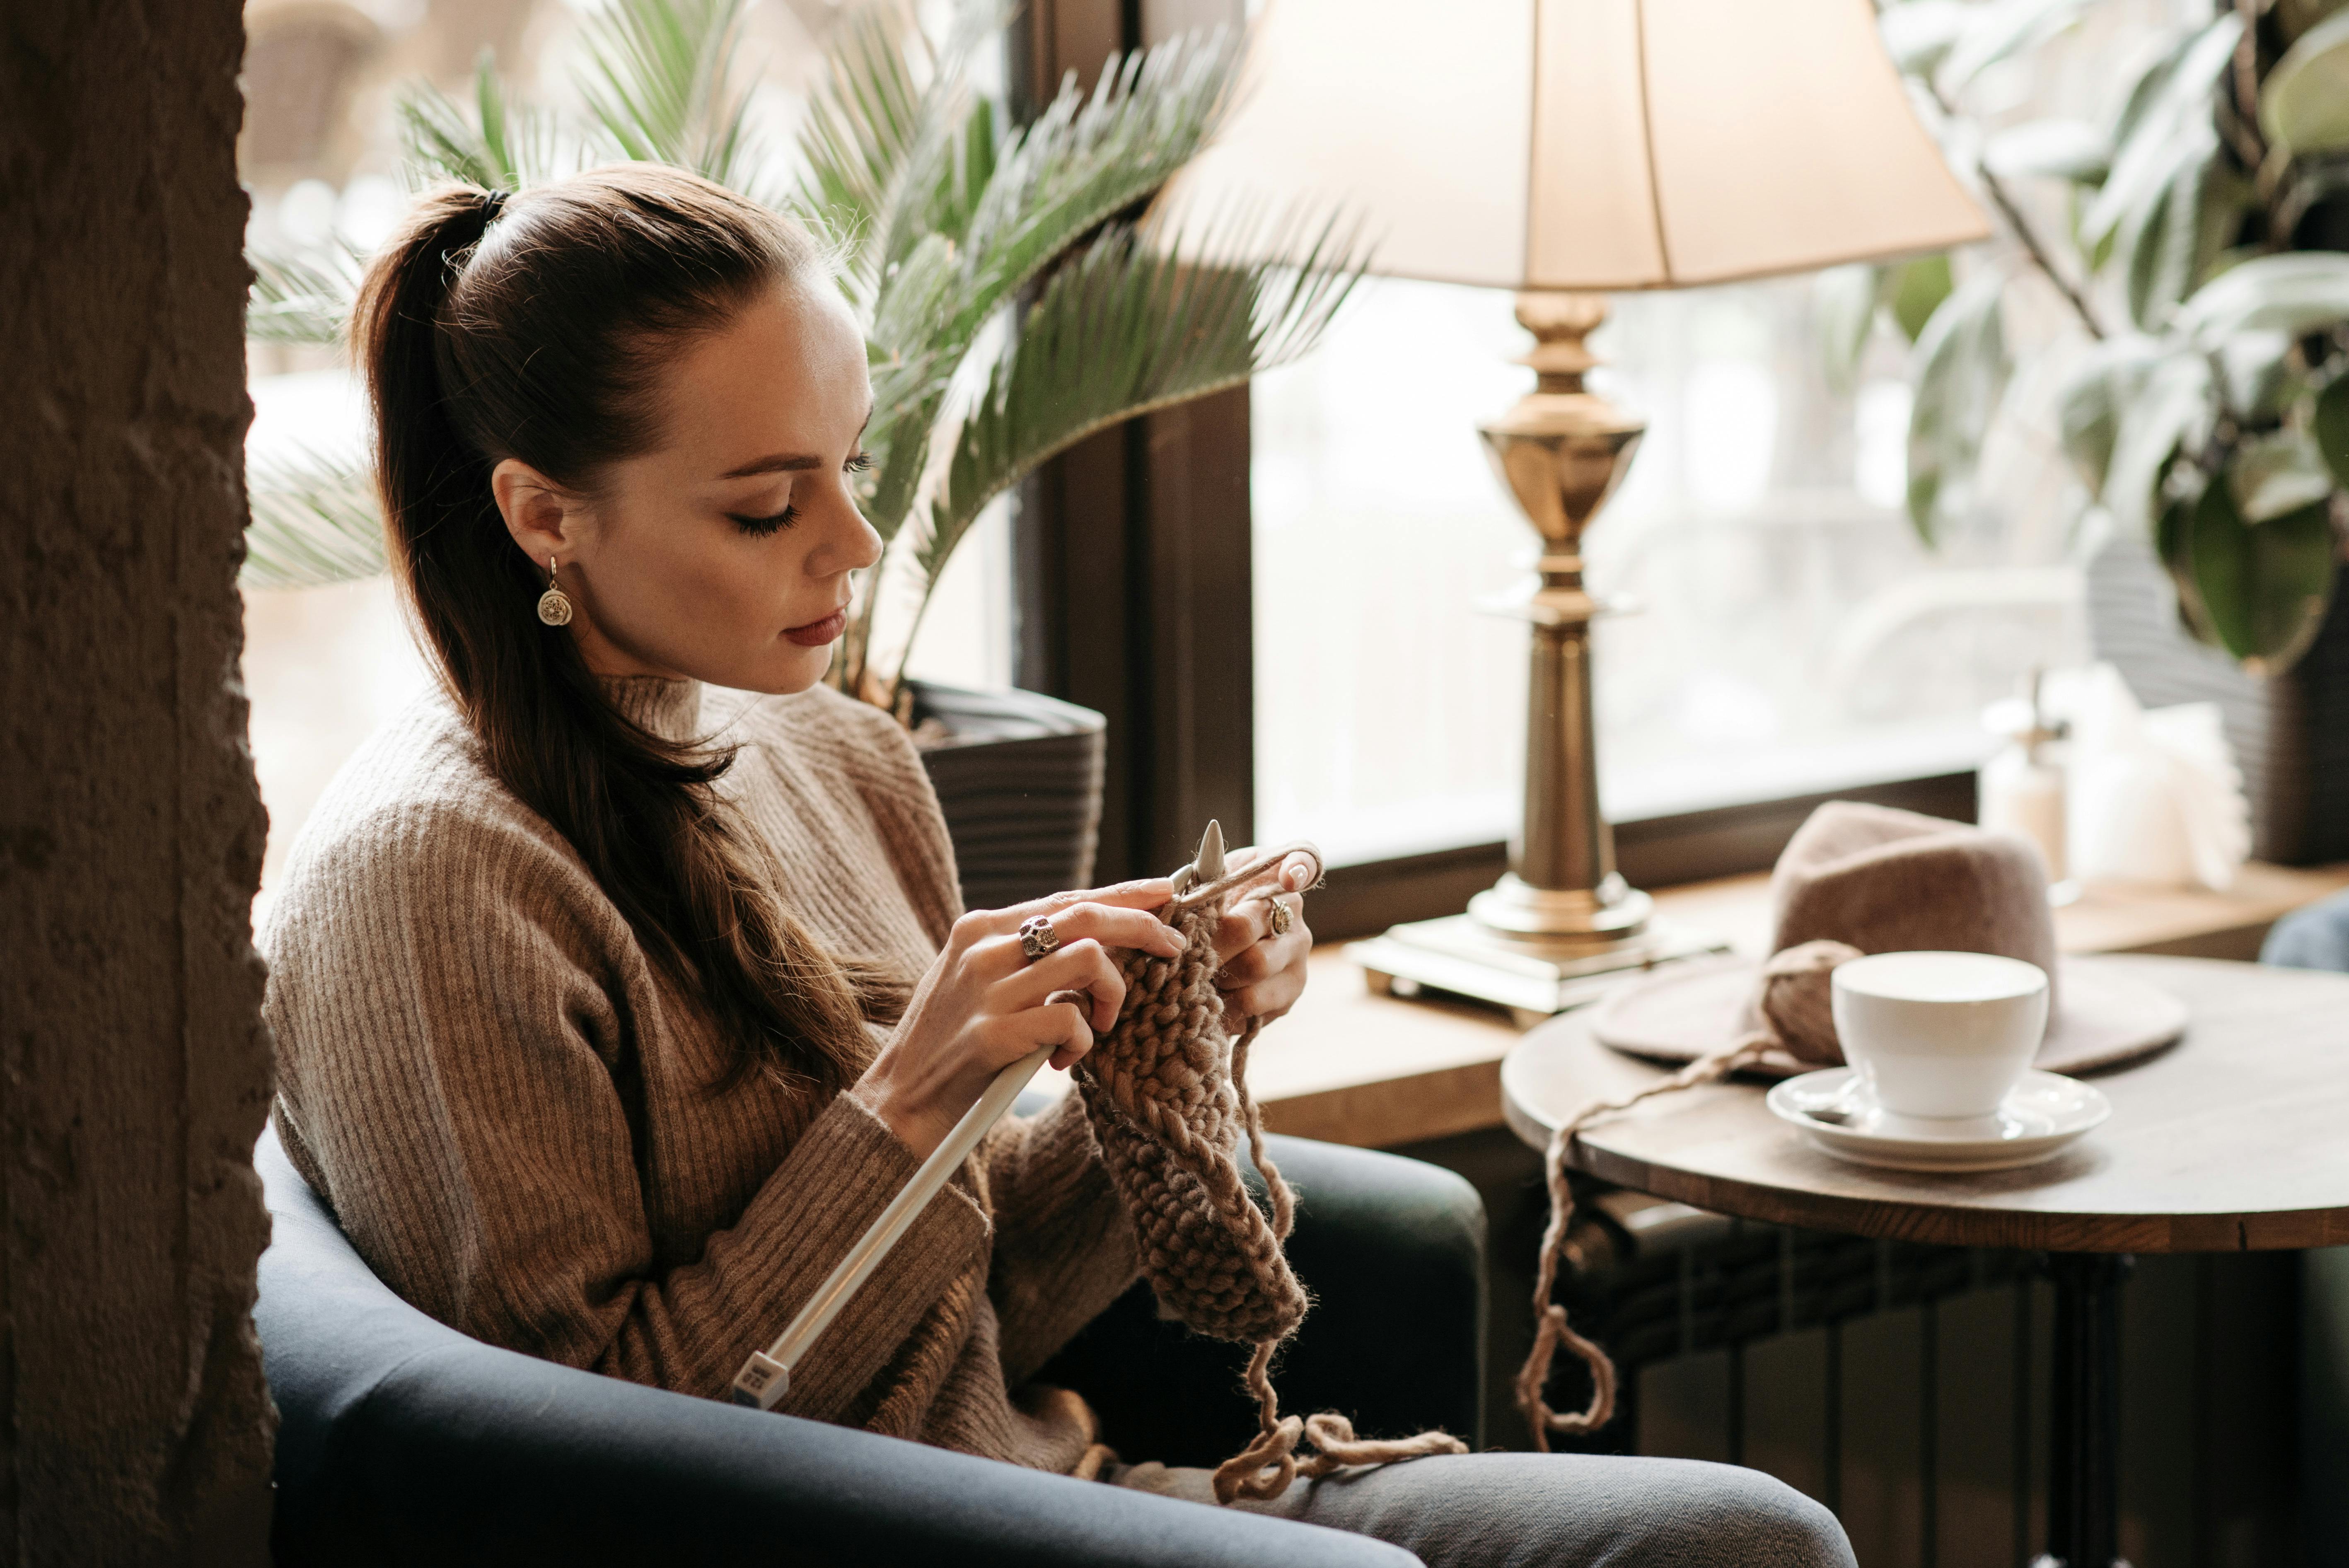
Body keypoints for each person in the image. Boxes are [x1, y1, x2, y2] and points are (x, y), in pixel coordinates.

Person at [260, 163, 1854, 1568]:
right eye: (767, 507)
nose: (854, 545)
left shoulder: (839, 755)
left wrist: (1168, 1044)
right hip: (916, 1540)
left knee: (1747, 1538)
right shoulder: (436, 884)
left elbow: (967, 1302)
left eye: (853, 467)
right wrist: (905, 1106)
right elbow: (584, 1491)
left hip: (1068, 1488)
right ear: (546, 517)